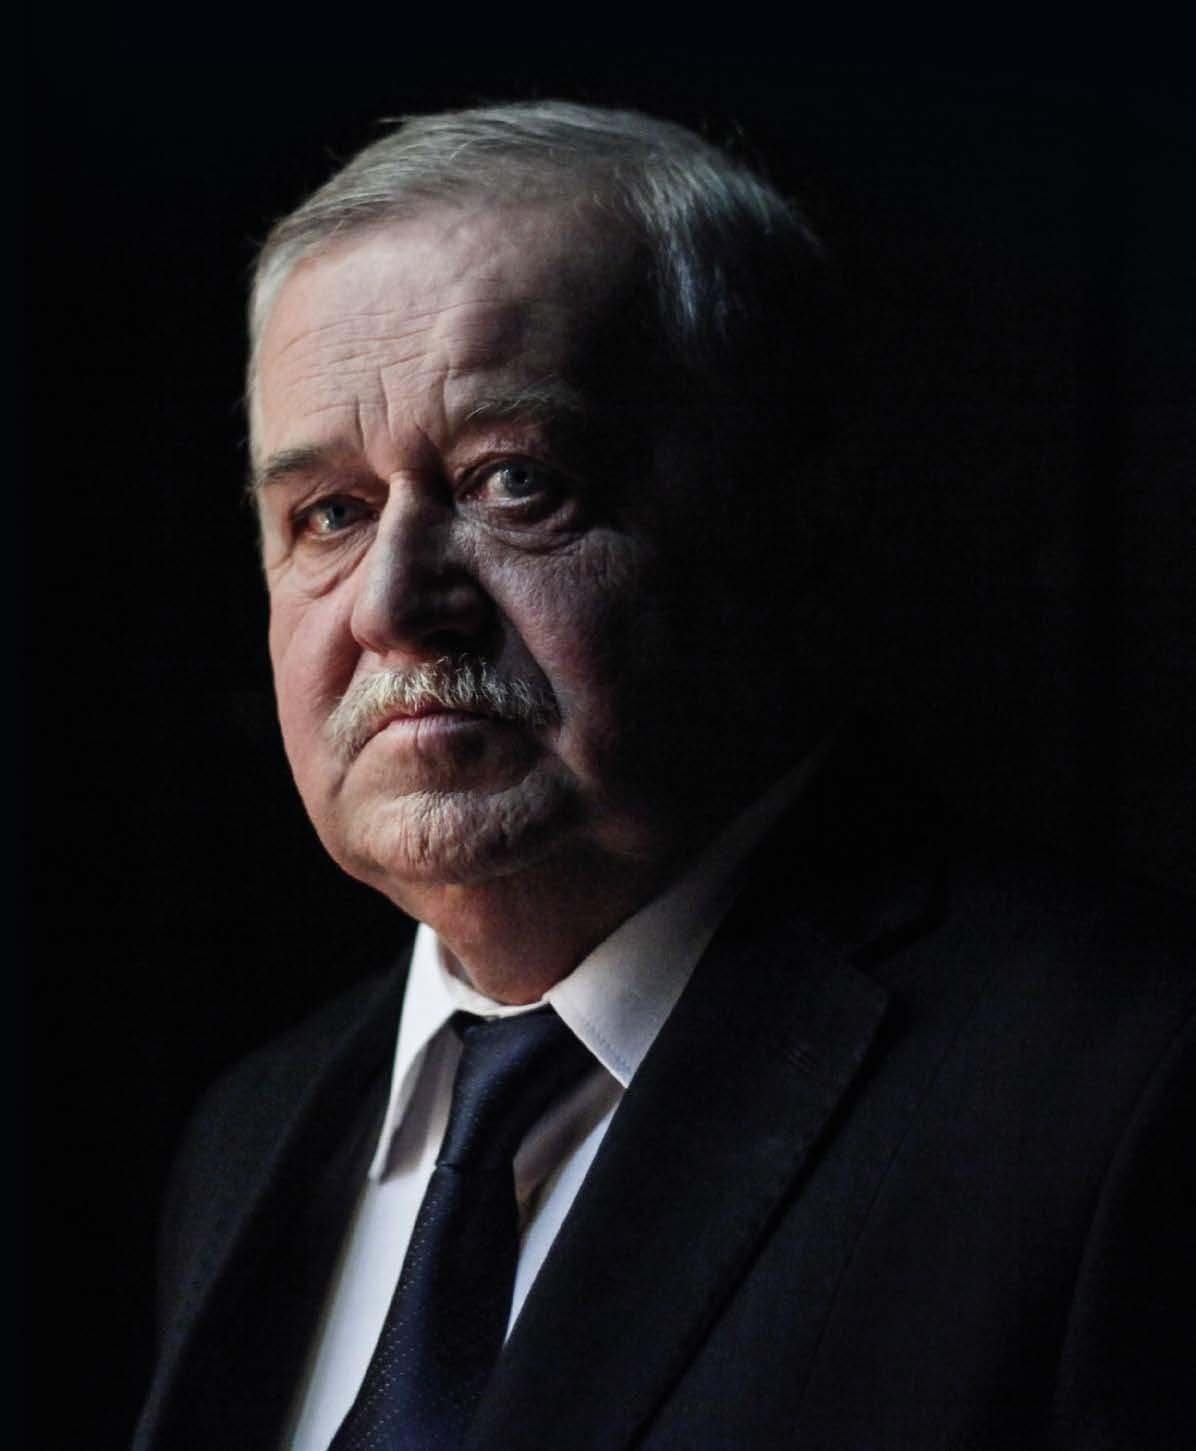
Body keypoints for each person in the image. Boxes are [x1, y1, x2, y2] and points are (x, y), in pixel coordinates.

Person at [134, 102, 1195, 1451]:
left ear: (779, 520)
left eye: (514, 482)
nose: (395, 604)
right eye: (329, 514)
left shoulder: (1118, 1091)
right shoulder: (250, 1133)